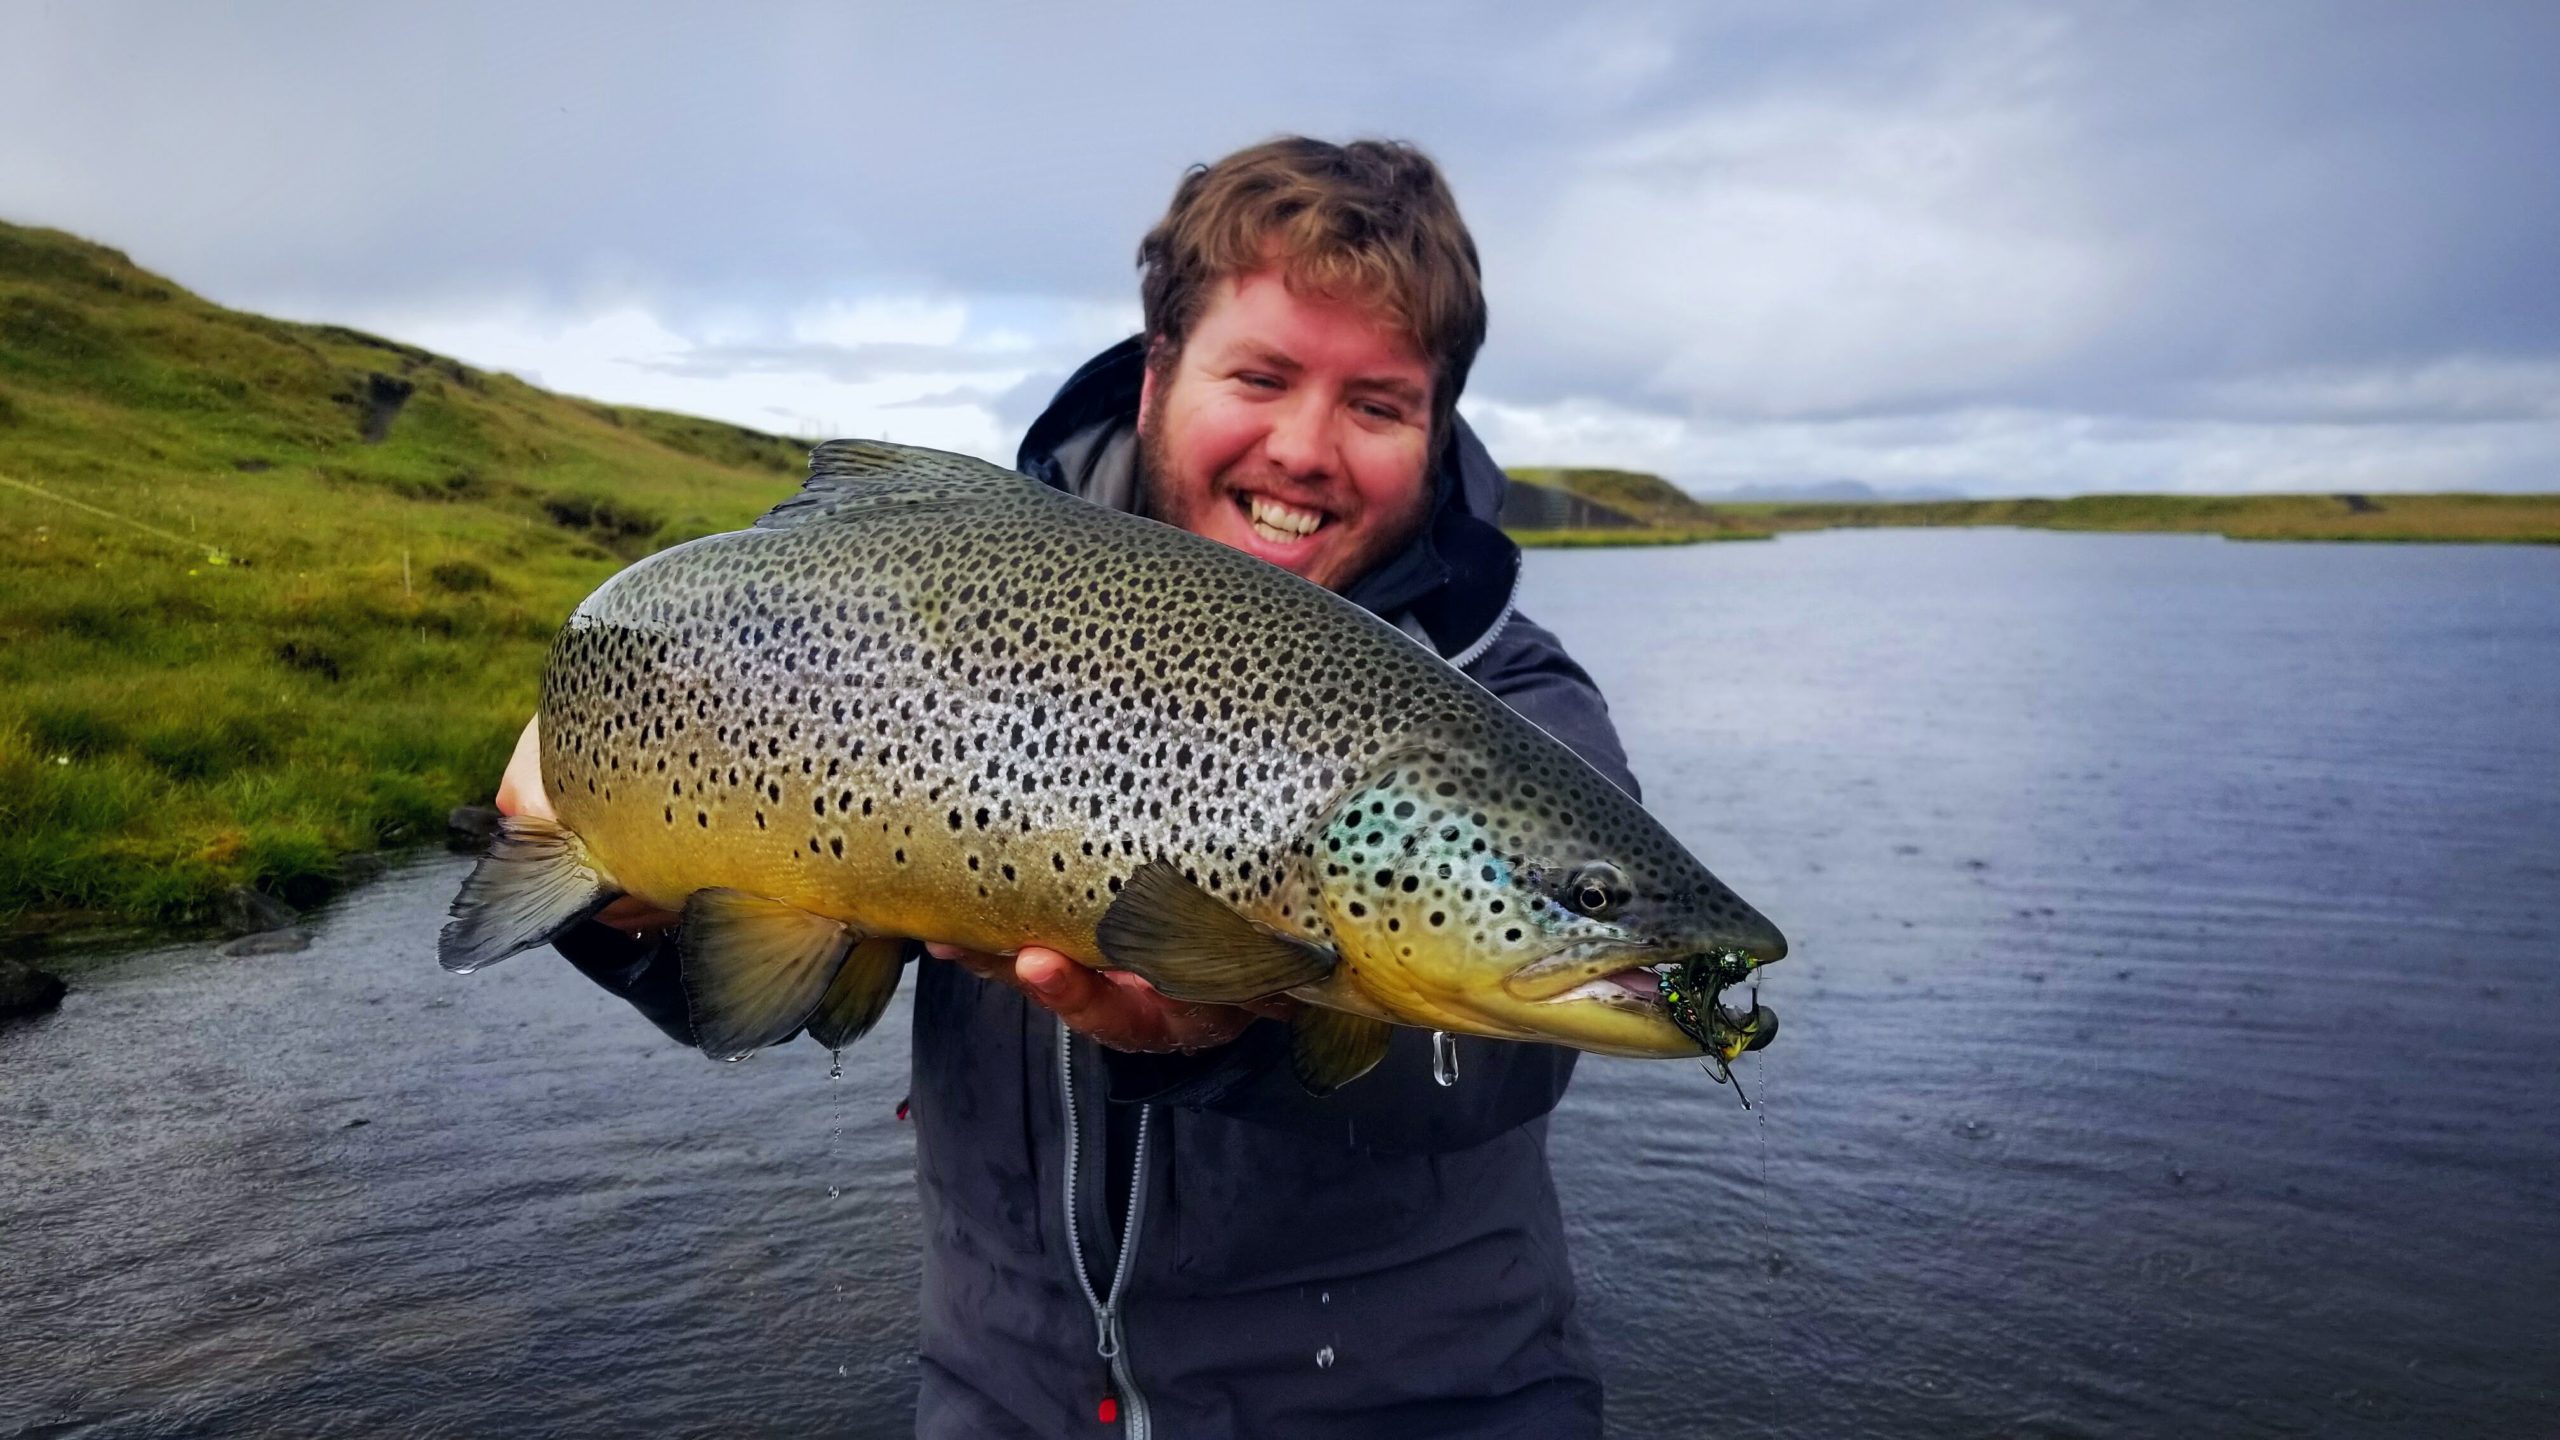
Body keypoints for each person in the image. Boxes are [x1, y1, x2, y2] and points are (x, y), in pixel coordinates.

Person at [497, 137, 1641, 1438]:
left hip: (1430, 1408)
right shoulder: (948, 616)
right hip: (1005, 1400)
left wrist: (1245, 1025)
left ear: (1435, 433)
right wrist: (613, 896)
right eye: (1259, 376)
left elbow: (1513, 1059)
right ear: (1157, 378)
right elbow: (762, 991)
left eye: (1377, 405)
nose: (1307, 449)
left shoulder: (1508, 703)